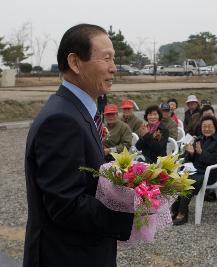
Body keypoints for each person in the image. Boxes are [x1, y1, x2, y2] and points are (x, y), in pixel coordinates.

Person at [24, 24, 134, 267]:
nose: (114, 68)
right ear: (75, 62)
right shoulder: (61, 119)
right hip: (66, 256)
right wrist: (132, 214)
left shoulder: (77, 111)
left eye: (114, 59)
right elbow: (66, 205)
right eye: (106, 58)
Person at [171, 116, 217, 225]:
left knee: (188, 180)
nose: (207, 129)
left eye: (209, 126)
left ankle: (182, 212)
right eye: (204, 126)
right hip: (196, 170)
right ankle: (179, 209)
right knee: (179, 177)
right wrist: (191, 153)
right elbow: (188, 159)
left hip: (209, 173)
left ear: (215, 127)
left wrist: (202, 153)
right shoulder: (198, 139)